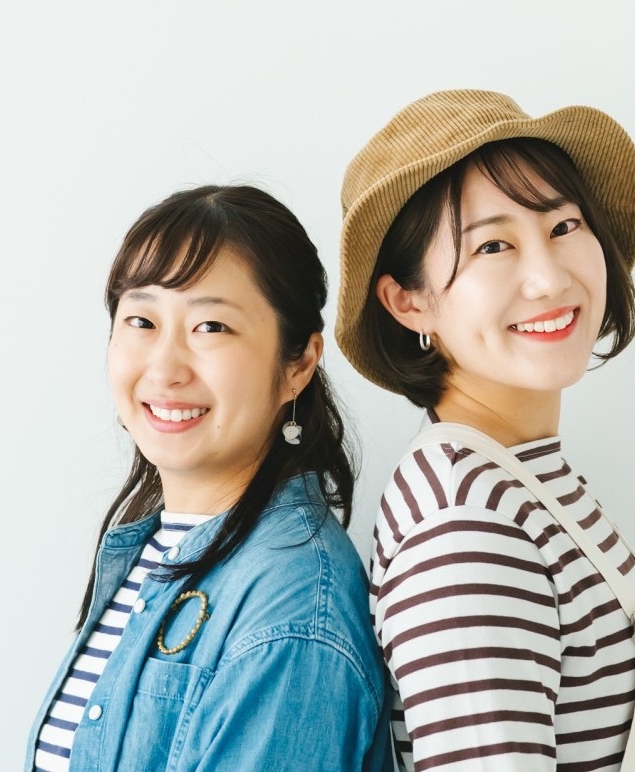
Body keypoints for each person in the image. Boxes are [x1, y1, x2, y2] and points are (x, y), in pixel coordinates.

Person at [335, 90, 635, 771]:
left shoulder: (520, 473)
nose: (547, 278)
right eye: (493, 245)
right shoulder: (463, 526)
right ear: (409, 301)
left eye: (563, 226)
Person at [26, 184, 392, 771]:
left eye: (211, 327)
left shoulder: (293, 606)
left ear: (298, 364)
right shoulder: (148, 550)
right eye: (141, 320)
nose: (164, 368)